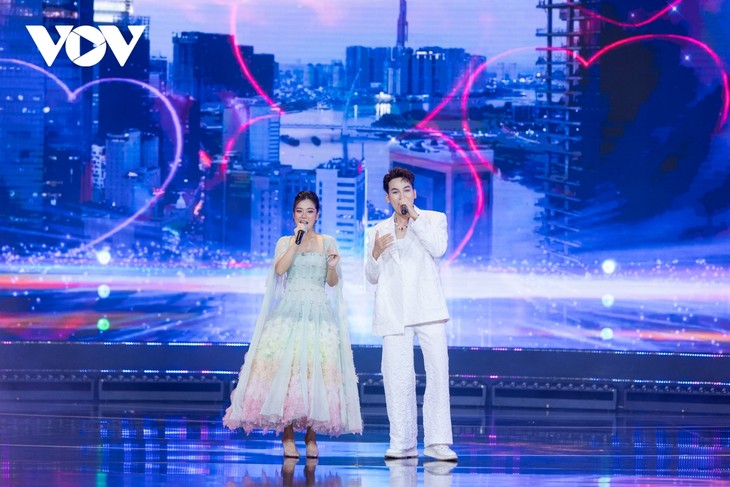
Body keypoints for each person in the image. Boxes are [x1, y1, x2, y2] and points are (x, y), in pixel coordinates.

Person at [224, 191, 362, 458]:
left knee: (314, 373)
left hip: (318, 313)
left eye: (309, 211)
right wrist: (296, 243)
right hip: (289, 312)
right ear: (293, 215)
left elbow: (332, 282)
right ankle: (287, 434)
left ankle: (311, 435)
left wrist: (332, 267)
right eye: (300, 211)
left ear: (317, 215)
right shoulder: (286, 241)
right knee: (285, 373)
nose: (304, 216)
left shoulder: (327, 242)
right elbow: (280, 270)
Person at [365, 167, 457, 462]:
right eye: (395, 192)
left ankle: (437, 442)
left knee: (438, 373)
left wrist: (414, 217)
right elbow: (371, 276)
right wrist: (375, 253)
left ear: (414, 193)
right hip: (393, 311)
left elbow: (438, 249)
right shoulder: (377, 230)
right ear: (387, 198)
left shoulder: (433, 219)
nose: (401, 196)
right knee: (397, 377)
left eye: (406, 190)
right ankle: (402, 442)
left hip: (428, 307)